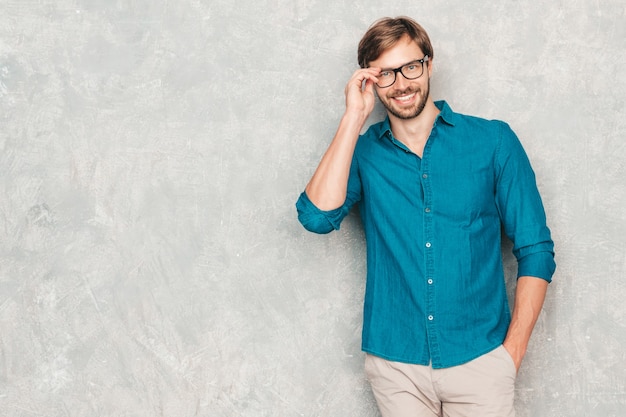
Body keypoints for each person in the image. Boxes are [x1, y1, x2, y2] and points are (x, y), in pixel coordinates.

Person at [295, 16, 556, 417]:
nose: (401, 83)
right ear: (369, 80)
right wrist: (352, 118)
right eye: (385, 73)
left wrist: (510, 355)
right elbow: (316, 217)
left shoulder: (492, 141)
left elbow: (536, 249)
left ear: (429, 65)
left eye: (410, 67)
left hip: (480, 360)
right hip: (396, 366)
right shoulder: (363, 153)